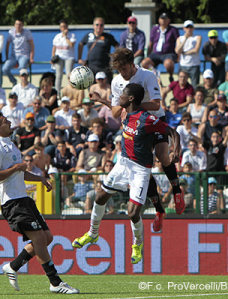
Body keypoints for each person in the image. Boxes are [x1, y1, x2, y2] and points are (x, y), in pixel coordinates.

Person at [72, 83, 180, 265]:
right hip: (122, 163)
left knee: (133, 212)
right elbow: (112, 106)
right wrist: (100, 100)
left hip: (140, 169)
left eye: (122, 94)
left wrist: (175, 150)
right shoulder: (124, 112)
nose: (119, 96)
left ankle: (137, 244)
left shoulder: (147, 119)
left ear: (130, 99)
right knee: (100, 197)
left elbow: (172, 131)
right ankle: (92, 234)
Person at [0, 111, 79, 294]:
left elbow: (20, 172)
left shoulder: (10, 144)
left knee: (47, 237)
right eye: (5, 121)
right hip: (12, 202)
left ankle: (13, 266)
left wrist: (40, 178)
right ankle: (55, 282)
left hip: (24, 199)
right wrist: (15, 168)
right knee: (38, 239)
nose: (9, 122)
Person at [90, 48, 184, 228]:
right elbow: (117, 112)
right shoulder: (117, 81)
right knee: (143, 167)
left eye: (124, 69)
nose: (122, 74)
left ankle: (177, 190)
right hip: (134, 124)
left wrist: (133, 104)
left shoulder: (147, 76)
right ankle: (159, 209)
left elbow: (156, 103)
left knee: (163, 156)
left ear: (132, 64)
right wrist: (106, 102)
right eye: (119, 70)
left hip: (154, 118)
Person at [78, 17, 118, 83]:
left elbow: (117, 46)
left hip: (105, 67)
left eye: (101, 25)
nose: (99, 27)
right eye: (97, 25)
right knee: (92, 89)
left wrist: (115, 59)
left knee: (107, 88)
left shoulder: (108, 37)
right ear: (93, 26)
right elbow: (80, 45)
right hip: (91, 67)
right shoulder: (88, 36)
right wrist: (79, 58)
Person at [141, 13, 179, 83]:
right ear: (159, 20)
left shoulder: (173, 30)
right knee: (144, 63)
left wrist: (178, 53)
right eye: (162, 19)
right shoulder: (155, 29)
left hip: (168, 53)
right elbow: (151, 42)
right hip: (155, 53)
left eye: (165, 19)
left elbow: (178, 41)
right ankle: (155, 74)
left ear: (168, 20)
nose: (163, 21)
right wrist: (148, 54)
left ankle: (170, 76)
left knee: (168, 64)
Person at [3, 19, 35, 86]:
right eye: (17, 24)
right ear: (14, 25)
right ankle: (13, 81)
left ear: (22, 25)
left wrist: (31, 57)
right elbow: (7, 45)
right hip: (13, 56)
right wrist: (6, 57)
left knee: (22, 68)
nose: (18, 26)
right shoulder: (11, 32)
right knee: (5, 68)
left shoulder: (27, 32)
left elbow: (32, 45)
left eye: (20, 24)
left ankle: (23, 84)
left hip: (24, 55)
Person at [51, 19, 76, 94]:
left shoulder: (71, 35)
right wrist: (52, 57)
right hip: (59, 57)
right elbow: (54, 47)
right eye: (61, 26)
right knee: (58, 75)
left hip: (69, 57)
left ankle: (70, 92)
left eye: (64, 26)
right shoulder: (57, 36)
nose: (63, 28)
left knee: (69, 75)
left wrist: (66, 37)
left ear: (67, 27)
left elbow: (71, 45)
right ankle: (57, 93)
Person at [175, 20, 202, 87]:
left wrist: (184, 52)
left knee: (195, 85)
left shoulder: (197, 37)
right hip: (183, 65)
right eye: (187, 27)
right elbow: (177, 51)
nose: (189, 29)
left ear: (193, 28)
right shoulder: (180, 38)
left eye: (190, 27)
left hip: (194, 65)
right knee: (182, 85)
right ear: (184, 28)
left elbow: (196, 50)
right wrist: (185, 39)